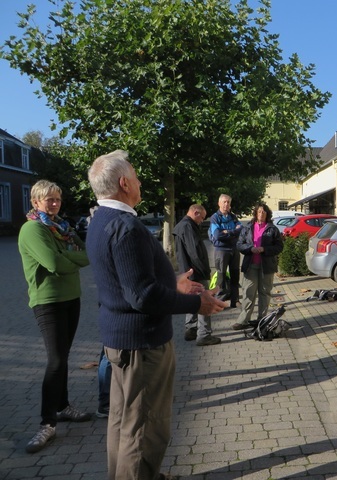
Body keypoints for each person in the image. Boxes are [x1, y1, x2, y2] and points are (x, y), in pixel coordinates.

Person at [85, 149, 227, 480]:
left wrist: (172, 283)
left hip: (122, 341)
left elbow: (128, 282)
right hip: (142, 345)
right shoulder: (125, 225)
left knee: (124, 421)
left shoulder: (100, 220)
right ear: (123, 183)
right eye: (134, 176)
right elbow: (142, 296)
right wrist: (196, 305)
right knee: (146, 427)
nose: (139, 182)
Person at [18, 180, 92, 454]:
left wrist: (67, 257)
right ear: (35, 202)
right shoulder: (31, 229)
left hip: (71, 297)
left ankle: (62, 407)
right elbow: (53, 263)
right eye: (48, 199)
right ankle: (47, 423)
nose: (53, 204)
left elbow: (86, 255)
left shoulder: (64, 228)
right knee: (56, 360)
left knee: (64, 356)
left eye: (57, 199)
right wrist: (68, 257)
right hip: (48, 301)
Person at [174, 204, 221, 346]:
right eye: (202, 218)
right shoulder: (188, 227)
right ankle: (204, 335)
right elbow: (194, 252)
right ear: (195, 212)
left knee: (192, 301)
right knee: (205, 302)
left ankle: (191, 329)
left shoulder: (182, 226)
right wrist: (204, 271)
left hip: (187, 272)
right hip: (196, 272)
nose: (202, 221)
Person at [231, 203, 283, 330]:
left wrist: (264, 249)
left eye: (264, 212)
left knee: (264, 293)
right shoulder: (247, 228)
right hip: (250, 265)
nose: (261, 214)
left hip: (267, 267)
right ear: (255, 213)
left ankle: (262, 320)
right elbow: (239, 244)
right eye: (259, 212)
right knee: (248, 292)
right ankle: (243, 320)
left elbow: (279, 247)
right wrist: (250, 249)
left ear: (267, 214)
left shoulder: (273, 229)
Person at [209, 194, 242, 307]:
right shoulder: (215, 217)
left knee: (235, 274)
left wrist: (227, 232)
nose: (226, 204)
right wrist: (233, 232)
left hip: (234, 249)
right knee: (221, 276)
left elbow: (240, 229)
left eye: (228, 202)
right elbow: (217, 235)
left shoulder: (233, 217)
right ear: (219, 203)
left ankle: (235, 300)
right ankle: (220, 301)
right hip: (221, 250)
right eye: (224, 202)